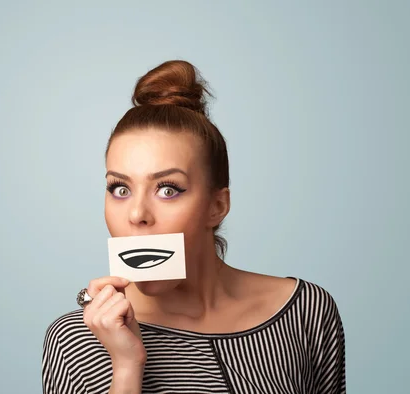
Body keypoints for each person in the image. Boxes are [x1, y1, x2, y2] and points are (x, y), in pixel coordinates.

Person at [42, 60, 346, 394]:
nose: (137, 213)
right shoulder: (75, 340)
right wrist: (127, 367)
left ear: (217, 207)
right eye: (120, 189)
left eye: (168, 189)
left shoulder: (306, 312)